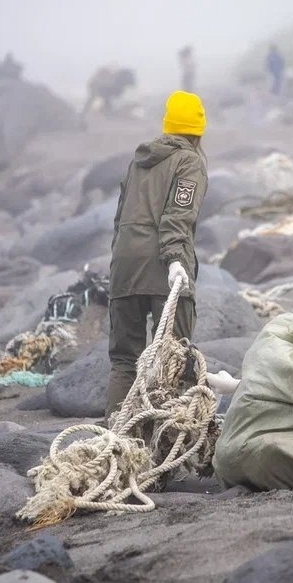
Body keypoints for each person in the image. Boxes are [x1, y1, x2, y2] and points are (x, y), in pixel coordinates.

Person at [105, 90, 209, 417]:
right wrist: (176, 260)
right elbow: (177, 217)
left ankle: (115, 437)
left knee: (124, 361)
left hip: (124, 267)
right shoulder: (189, 160)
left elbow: (119, 219)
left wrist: (118, 264)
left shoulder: (138, 162)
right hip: (164, 268)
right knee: (172, 359)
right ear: (198, 131)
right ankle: (161, 442)